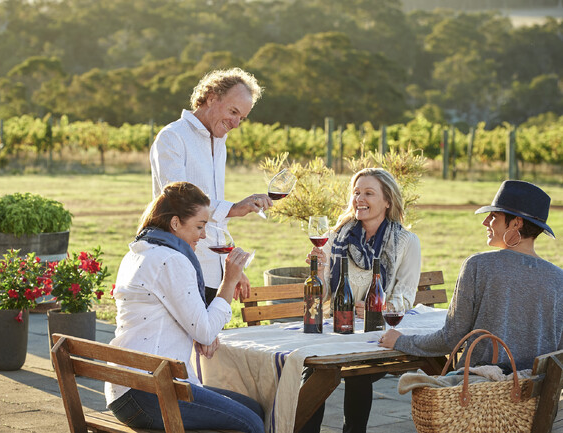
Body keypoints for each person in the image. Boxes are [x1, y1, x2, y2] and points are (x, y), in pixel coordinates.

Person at [105, 181, 265, 433]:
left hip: (128, 387)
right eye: (200, 226)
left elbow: (186, 321)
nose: (203, 235)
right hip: (148, 392)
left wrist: (200, 332)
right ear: (175, 223)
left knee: (253, 409)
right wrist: (229, 280)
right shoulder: (170, 260)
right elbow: (205, 331)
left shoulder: (141, 250)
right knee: (251, 423)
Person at [380, 180, 563, 373]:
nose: (485, 222)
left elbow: (451, 339)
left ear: (516, 223)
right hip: (535, 395)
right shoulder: (559, 278)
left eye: (494, 216)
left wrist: (400, 340)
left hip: (480, 393)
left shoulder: (478, 265)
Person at [301, 168, 421, 433]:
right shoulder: (336, 237)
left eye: (368, 193)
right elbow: (321, 300)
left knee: (358, 371)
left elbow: (405, 298)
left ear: (387, 201)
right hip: (338, 332)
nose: (359, 199)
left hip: (375, 335)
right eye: (356, 193)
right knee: (314, 371)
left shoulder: (405, 242)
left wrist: (376, 311)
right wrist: (319, 271)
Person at [150, 68, 272, 303]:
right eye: (233, 111)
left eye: (242, 118)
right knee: (190, 340)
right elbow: (181, 202)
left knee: (211, 339)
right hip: (180, 265)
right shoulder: (172, 137)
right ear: (212, 98)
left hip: (213, 273)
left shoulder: (219, 141)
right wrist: (234, 207)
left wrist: (231, 270)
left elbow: (214, 223)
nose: (236, 123)